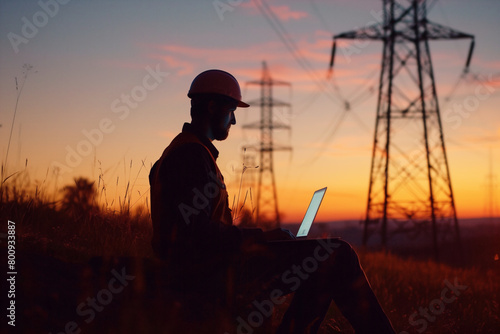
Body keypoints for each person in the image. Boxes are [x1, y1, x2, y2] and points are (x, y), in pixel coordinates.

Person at [149, 69, 396, 333]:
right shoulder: (191, 156)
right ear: (212, 107)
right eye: (231, 110)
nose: (233, 121)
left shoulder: (186, 152)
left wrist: (263, 240)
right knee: (336, 255)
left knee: (323, 262)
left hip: (209, 266)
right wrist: (262, 238)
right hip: (207, 272)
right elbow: (194, 233)